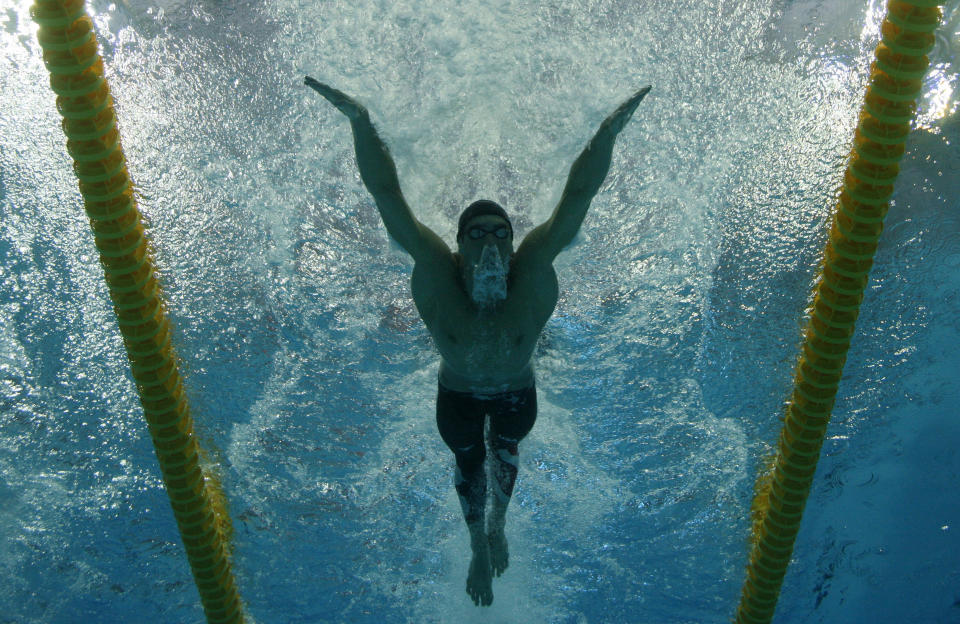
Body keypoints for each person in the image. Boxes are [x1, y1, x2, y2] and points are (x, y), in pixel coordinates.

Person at [305, 76, 650, 606]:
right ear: (458, 244)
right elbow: (387, 195)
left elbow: (580, 193)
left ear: (513, 243)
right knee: (469, 464)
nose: (491, 242)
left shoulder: (531, 267)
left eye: (500, 234)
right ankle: (477, 547)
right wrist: (360, 119)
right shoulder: (434, 269)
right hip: (458, 393)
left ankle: (499, 527)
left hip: (517, 389)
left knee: (505, 451)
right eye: (477, 234)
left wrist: (608, 131)